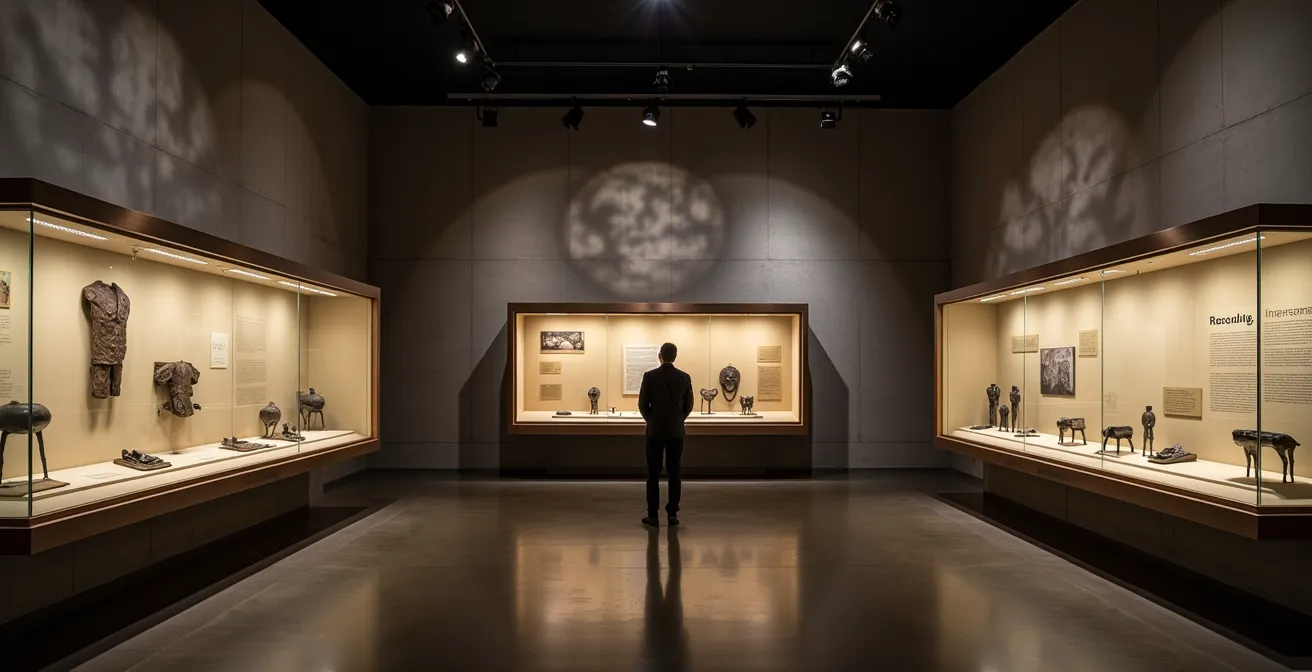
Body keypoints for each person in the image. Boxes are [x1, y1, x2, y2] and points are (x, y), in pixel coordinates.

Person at [638, 342, 694, 526]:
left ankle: (652, 514)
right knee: (674, 473)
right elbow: (689, 405)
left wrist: (651, 420)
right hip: (675, 432)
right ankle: (672, 515)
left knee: (653, 474)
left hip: (654, 431)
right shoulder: (684, 377)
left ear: (659, 355)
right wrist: (679, 420)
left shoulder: (650, 376)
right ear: (675, 356)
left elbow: (642, 404)